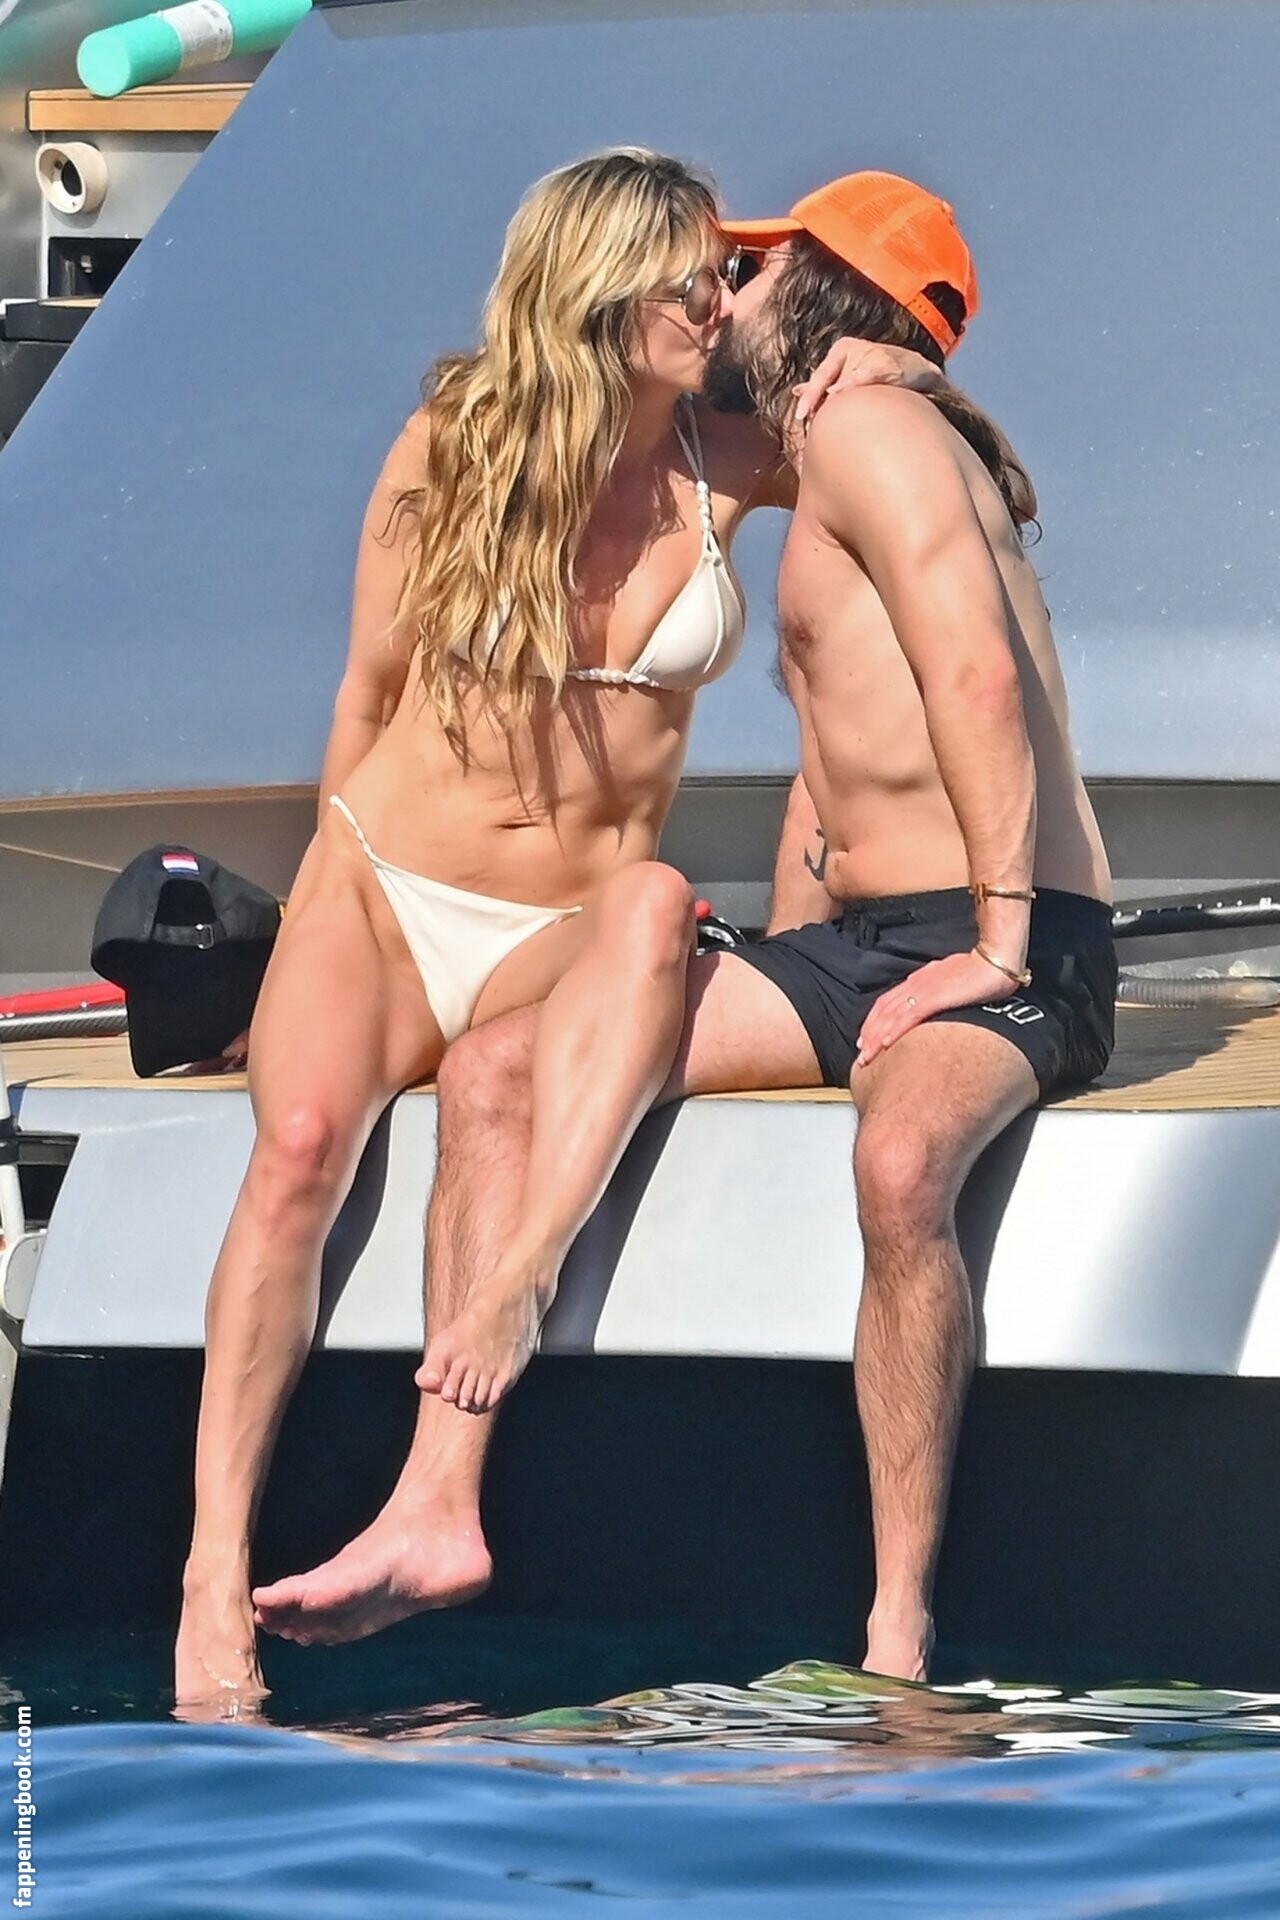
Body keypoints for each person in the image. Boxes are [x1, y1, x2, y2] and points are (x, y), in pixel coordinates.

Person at [279, 171, 1114, 1684]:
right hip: (861, 943)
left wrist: (996, 946)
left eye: (756, 270)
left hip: (1014, 934)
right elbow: (830, 753)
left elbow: (978, 681)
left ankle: (898, 1634)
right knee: (496, 1072)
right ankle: (435, 1507)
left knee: (899, 1162)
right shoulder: (822, 441)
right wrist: (793, 958)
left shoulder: (875, 429)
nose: (725, 296)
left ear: (828, 291)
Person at [176, 149, 941, 1709]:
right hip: (392, 887)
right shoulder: (454, 443)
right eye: (695, 281)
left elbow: (919, 477)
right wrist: (310, 923)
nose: (722, 302)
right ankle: (207, 1577)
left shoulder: (736, 459)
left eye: (727, 276)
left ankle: (443, 1474)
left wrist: (893, 365)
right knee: (302, 1146)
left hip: (564, 920)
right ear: (603, 296)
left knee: (655, 902)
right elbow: (366, 698)